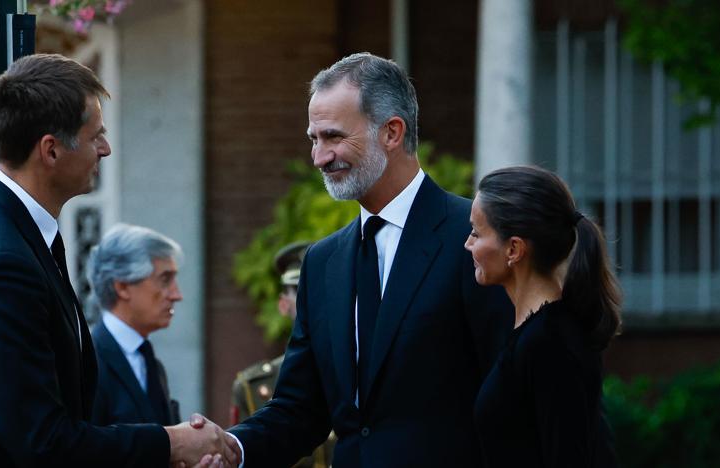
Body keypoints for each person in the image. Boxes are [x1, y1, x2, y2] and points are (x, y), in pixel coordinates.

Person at [0, 53, 238, 468]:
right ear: (51, 151)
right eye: (96, 136)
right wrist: (170, 445)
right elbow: (42, 442)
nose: (106, 149)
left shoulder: (3, 225)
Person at [227, 52, 512, 467]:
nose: (319, 157)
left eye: (334, 137)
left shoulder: (473, 239)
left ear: (392, 132)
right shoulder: (322, 262)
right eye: (314, 139)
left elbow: (513, 398)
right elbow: (300, 409)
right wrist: (230, 449)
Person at [465, 165, 620, 467]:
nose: (468, 243)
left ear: (513, 249)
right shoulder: (534, 333)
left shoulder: (549, 342)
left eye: (475, 232)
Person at [229, 242, 336, 468]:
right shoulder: (254, 385)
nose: (313, 297)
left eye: (323, 286)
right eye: (300, 290)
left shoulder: (358, 366)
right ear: (283, 304)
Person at [87, 224, 184, 426]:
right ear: (122, 286)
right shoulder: (87, 362)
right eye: (165, 279)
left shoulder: (151, 364)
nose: (177, 295)